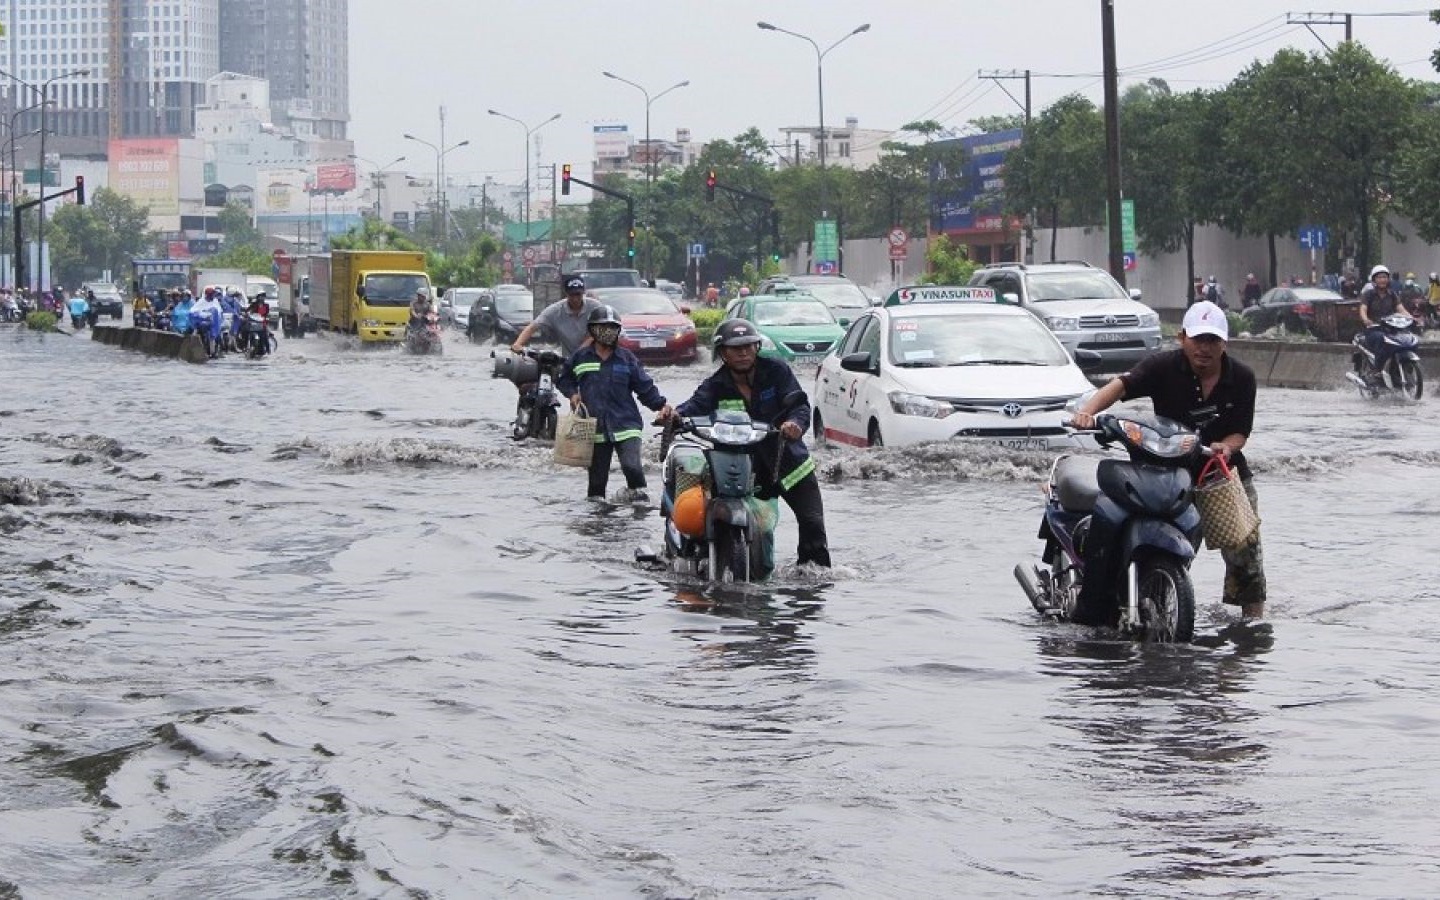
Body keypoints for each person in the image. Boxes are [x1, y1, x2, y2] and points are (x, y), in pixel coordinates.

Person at [1072, 300, 1265, 618]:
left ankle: (1252, 628)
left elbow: (1241, 433)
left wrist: (1226, 448)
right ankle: (1146, 599)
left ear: (1224, 343)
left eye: (1212, 340)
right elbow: (1120, 386)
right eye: (1198, 339)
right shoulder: (1162, 366)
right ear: (1182, 338)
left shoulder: (1242, 377)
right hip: (1169, 474)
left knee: (1247, 556)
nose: (1204, 348)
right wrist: (1087, 413)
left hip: (1221, 474)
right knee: (1159, 543)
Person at [665, 320, 832, 568]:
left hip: (789, 464)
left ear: (756, 348)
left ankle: (812, 584)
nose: (743, 353)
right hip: (745, 470)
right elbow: (693, 407)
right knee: (734, 521)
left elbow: (799, 405)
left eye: (748, 347)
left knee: (813, 526)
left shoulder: (777, 372)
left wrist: (795, 424)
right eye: (735, 348)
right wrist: (673, 416)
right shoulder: (716, 385)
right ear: (722, 353)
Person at [557, 306, 672, 502]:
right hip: (595, 428)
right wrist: (572, 394)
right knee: (596, 485)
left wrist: (661, 406)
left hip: (627, 425)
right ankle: (600, 522)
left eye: (612, 328)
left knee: (632, 467)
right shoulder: (580, 357)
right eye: (603, 327)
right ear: (592, 330)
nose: (608, 332)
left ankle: (637, 503)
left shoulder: (626, 358)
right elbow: (563, 379)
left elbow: (644, 387)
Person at [510, 275, 598, 357]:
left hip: (595, 357)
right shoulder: (556, 310)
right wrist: (518, 344)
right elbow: (533, 327)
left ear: (583, 293)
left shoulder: (595, 307)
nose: (575, 299)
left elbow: (606, 329)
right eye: (572, 295)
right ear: (566, 293)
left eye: (578, 295)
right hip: (569, 360)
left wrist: (589, 340)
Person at [1358, 265, 1413, 377]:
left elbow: (1401, 309)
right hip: (1373, 330)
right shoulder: (1368, 294)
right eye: (1379, 277)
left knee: (1408, 340)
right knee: (1381, 339)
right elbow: (1363, 309)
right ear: (1374, 280)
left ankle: (1406, 367)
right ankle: (1377, 370)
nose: (1382, 280)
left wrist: (1412, 318)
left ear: (1388, 279)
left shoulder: (1392, 294)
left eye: (1384, 277)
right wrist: (1366, 319)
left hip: (1390, 328)